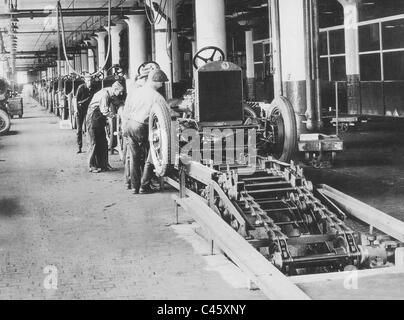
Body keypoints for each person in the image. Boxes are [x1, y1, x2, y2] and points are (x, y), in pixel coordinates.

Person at [122, 69, 169, 194]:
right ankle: (144, 185)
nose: (162, 85)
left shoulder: (136, 91)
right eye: (162, 82)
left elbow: (127, 109)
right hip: (143, 127)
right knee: (152, 155)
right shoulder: (157, 96)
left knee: (134, 157)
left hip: (130, 124)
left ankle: (134, 187)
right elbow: (167, 113)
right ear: (156, 81)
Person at [86, 81, 124, 173]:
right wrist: (115, 116)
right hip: (93, 118)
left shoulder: (111, 93)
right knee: (94, 142)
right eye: (120, 91)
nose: (121, 93)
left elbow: (117, 102)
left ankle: (104, 165)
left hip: (99, 119)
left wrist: (123, 106)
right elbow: (104, 111)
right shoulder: (105, 95)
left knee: (103, 142)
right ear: (115, 89)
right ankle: (92, 166)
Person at [75, 75, 95, 153]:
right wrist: (76, 110)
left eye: (90, 80)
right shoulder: (81, 88)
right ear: (85, 81)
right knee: (79, 129)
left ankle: (90, 146)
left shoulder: (93, 88)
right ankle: (79, 147)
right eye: (88, 81)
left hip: (88, 109)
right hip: (80, 110)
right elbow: (76, 100)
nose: (89, 82)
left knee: (89, 128)